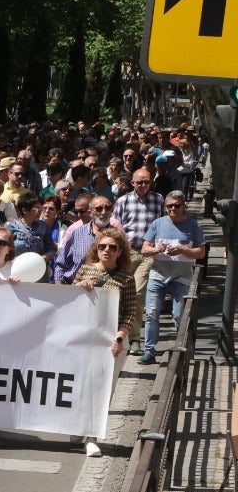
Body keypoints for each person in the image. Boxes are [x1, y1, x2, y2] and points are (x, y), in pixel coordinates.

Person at [71, 227, 138, 457]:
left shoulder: (126, 278)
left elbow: (130, 312)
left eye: (112, 247)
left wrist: (120, 337)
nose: (107, 250)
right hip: (84, 338)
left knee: (101, 389)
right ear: (96, 249)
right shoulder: (85, 270)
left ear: (120, 252)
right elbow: (69, 301)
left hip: (111, 342)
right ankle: (79, 425)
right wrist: (79, 287)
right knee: (81, 384)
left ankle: (92, 436)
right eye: (102, 246)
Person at [139, 190, 206, 365]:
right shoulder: (157, 223)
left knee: (178, 315)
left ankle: (180, 349)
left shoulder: (193, 225)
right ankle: (149, 351)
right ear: (165, 207)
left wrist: (183, 250)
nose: (173, 209)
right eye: (169, 206)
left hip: (182, 277)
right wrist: (157, 249)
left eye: (177, 205)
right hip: (158, 275)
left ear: (184, 206)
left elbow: (201, 252)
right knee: (152, 313)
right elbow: (144, 249)